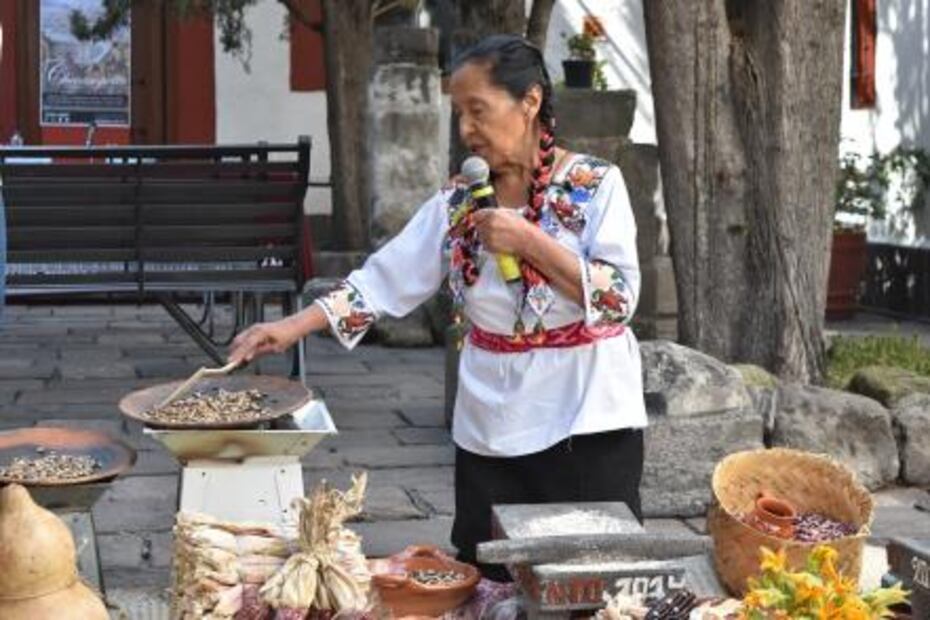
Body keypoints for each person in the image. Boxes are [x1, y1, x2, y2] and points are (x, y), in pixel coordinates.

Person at [229, 34, 647, 580]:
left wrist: (529, 241)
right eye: (458, 113)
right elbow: (385, 278)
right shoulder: (459, 201)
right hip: (491, 417)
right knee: (489, 578)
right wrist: (292, 327)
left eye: (479, 110)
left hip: (586, 413)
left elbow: (618, 299)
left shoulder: (596, 186)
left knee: (593, 582)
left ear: (530, 101)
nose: (466, 129)